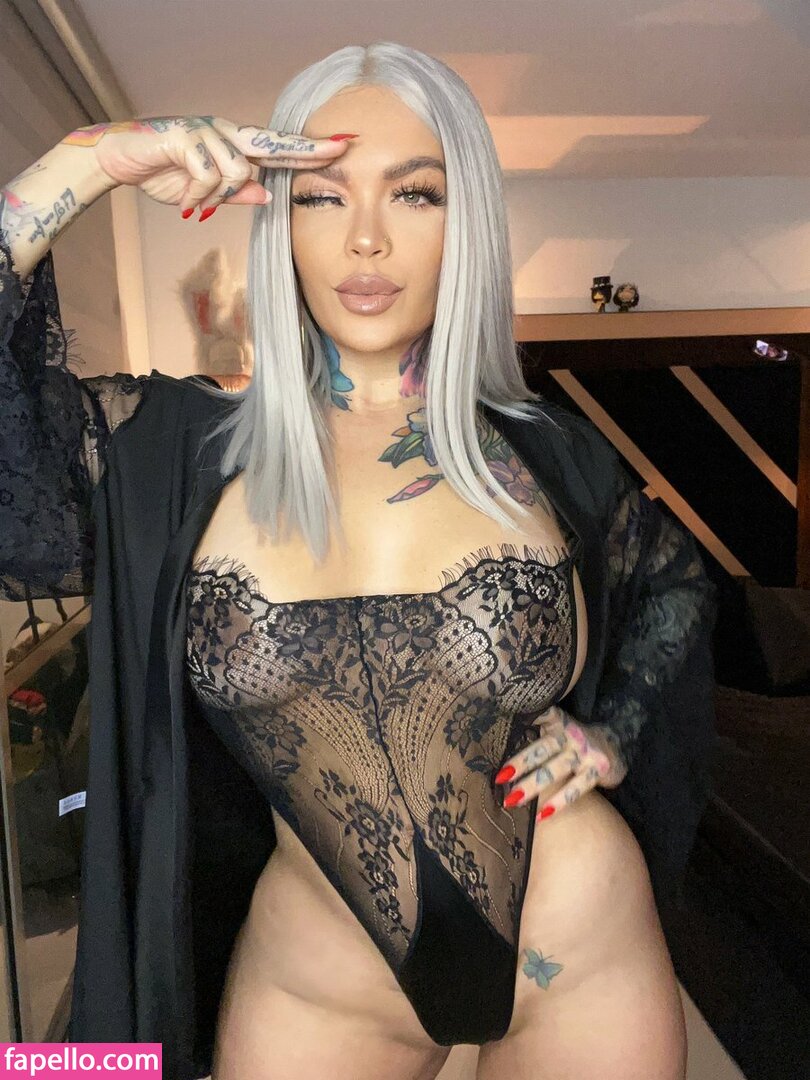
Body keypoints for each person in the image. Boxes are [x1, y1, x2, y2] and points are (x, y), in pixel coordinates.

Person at [0, 41, 718, 1080]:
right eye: (323, 196)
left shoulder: (545, 454)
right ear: (280, 221)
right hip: (318, 982)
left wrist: (614, 732)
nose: (367, 237)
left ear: (465, 219)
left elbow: (674, 581)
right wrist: (88, 161)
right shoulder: (165, 453)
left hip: (577, 952)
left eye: (415, 193)